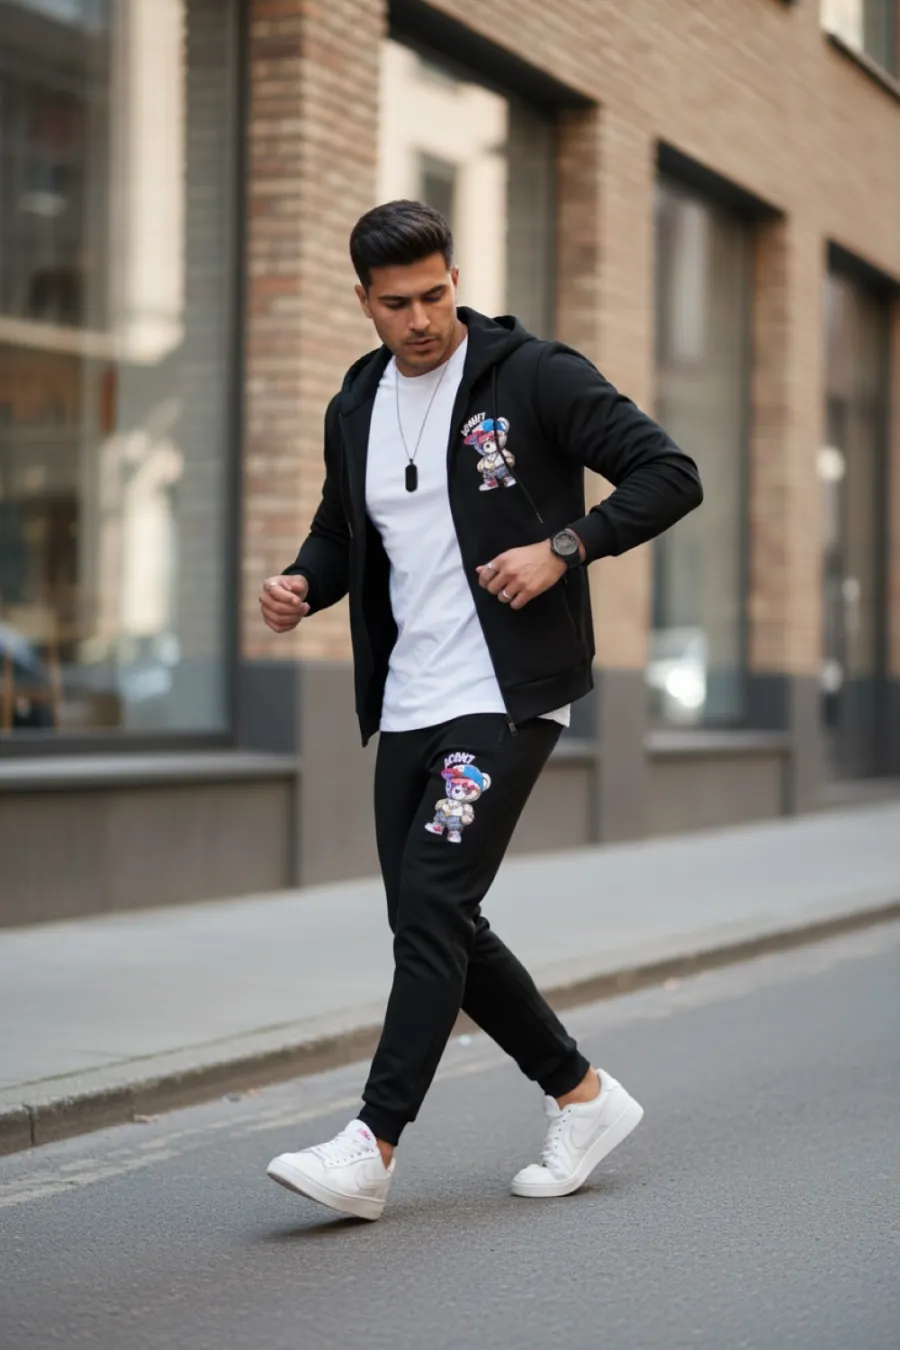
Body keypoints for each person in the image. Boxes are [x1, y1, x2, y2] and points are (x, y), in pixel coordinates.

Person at [261, 200, 703, 1222]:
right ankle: (582, 1096)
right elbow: (342, 534)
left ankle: (371, 1146)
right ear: (363, 301)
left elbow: (670, 473)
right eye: (396, 303)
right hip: (410, 700)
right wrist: (301, 583)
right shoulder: (357, 402)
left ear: (455, 279)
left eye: (434, 294)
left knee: (432, 909)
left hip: (506, 697)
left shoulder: (534, 375)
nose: (419, 319)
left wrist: (564, 550)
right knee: (435, 919)